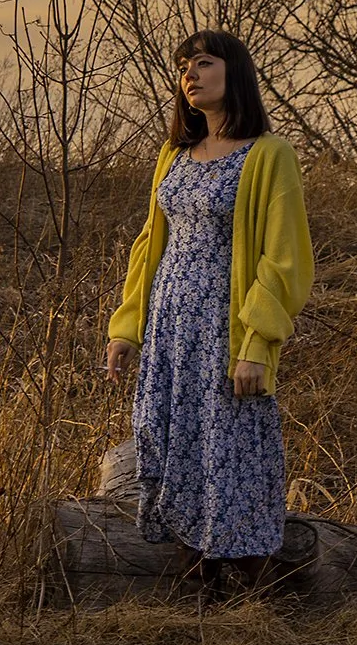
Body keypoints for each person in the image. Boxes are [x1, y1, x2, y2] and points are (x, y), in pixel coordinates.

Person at [104, 31, 314, 593]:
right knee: (172, 442)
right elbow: (151, 243)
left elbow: (285, 259)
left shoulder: (270, 155)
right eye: (183, 67)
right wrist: (127, 327)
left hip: (225, 332)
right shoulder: (173, 155)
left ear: (234, 73)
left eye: (203, 63)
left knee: (231, 448)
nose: (190, 75)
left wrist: (257, 344)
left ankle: (257, 595)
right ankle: (196, 579)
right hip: (170, 332)